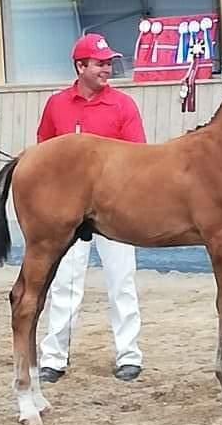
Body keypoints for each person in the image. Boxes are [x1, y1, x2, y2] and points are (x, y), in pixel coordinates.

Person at [36, 33, 146, 384]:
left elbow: (138, 158)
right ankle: (55, 355)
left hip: (118, 208)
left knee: (122, 280)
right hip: (69, 210)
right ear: (80, 66)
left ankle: (129, 354)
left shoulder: (123, 105)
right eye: (99, 63)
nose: (107, 68)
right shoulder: (56, 105)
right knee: (64, 282)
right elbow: (44, 154)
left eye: (108, 62)